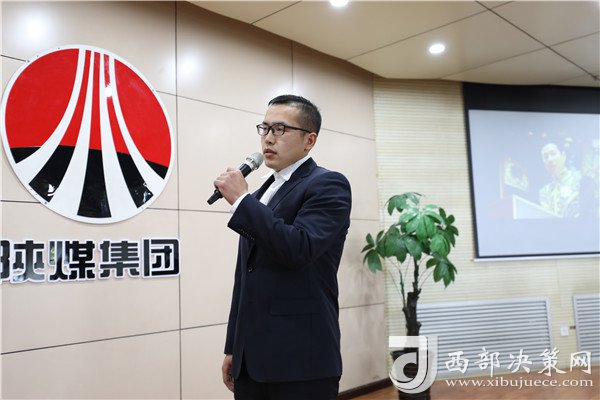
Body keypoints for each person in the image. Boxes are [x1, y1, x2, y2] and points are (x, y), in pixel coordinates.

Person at [213, 95, 352, 400]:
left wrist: (242, 201)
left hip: (301, 359)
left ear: (309, 140)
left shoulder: (328, 185)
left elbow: (299, 248)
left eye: (280, 129)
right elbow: (245, 278)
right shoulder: (262, 192)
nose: (268, 138)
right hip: (251, 362)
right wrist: (233, 347)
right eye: (264, 128)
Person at [539, 142, 582, 217]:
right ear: (545, 165)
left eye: (553, 154)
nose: (550, 159)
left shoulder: (580, 178)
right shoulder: (544, 192)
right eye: (546, 157)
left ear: (563, 156)